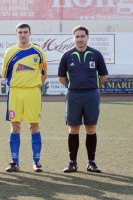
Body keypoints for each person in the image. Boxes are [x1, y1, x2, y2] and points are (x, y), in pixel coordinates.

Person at [58, 26, 108, 173]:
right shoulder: (67, 56)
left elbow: (103, 76)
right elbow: (61, 78)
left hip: (91, 95)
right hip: (73, 95)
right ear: (73, 38)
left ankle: (91, 162)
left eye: (82, 36)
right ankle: (72, 162)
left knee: (91, 128)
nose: (80, 39)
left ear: (87, 37)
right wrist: (73, 86)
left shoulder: (96, 54)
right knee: (73, 129)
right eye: (77, 36)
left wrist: (93, 87)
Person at [1, 23, 48, 173]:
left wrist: (33, 84)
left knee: (34, 126)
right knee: (15, 126)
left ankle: (36, 161)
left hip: (33, 93)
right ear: (16, 34)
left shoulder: (38, 52)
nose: (23, 35)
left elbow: (44, 73)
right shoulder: (10, 52)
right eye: (20, 32)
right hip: (15, 93)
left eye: (25, 32)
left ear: (30, 33)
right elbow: (4, 74)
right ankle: (15, 162)